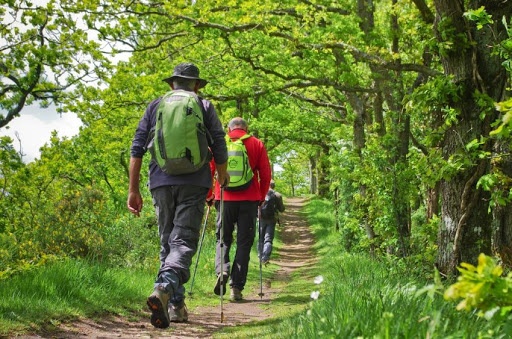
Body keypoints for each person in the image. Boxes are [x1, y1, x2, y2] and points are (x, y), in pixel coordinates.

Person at [127, 62, 229, 329]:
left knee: (167, 242)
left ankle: (175, 306)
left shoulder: (155, 106)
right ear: (196, 85)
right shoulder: (204, 106)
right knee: (182, 241)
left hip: (160, 181)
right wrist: (221, 173)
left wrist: (133, 189)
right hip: (194, 182)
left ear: (173, 83)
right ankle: (164, 288)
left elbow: (137, 148)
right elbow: (218, 141)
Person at [212, 117, 271, 301]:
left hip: (224, 197)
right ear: (246, 128)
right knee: (244, 243)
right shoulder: (256, 144)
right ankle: (236, 288)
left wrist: (209, 195)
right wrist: (261, 197)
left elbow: (210, 169)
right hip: (249, 200)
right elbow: (265, 174)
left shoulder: (220, 143)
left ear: (228, 128)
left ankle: (222, 269)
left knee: (223, 238)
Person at [259, 180, 285, 264]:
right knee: (268, 239)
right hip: (271, 219)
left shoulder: (260, 193)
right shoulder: (277, 195)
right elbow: (281, 209)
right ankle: (265, 258)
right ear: (274, 186)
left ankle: (260, 256)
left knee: (261, 238)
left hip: (261, 218)